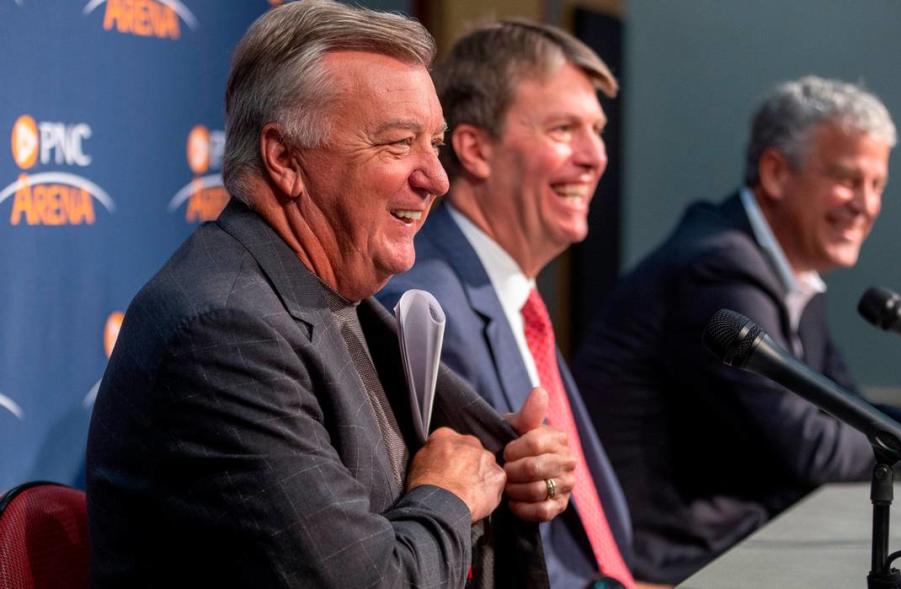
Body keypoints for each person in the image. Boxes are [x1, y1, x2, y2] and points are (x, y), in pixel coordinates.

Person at [86, 2, 574, 587]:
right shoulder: (225, 332)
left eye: (435, 144)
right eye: (398, 144)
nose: (437, 178)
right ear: (285, 159)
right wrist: (449, 496)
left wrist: (513, 467)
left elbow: (439, 460)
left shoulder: (330, 296)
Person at [573, 75, 901, 584]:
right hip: (671, 564)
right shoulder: (719, 268)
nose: (865, 204)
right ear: (776, 172)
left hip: (741, 538)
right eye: (847, 179)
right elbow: (804, 446)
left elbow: (842, 403)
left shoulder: (786, 266)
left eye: (877, 185)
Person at [379, 20, 663, 589]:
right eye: (563, 129)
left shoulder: (512, 291)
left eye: (597, 130)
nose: (594, 157)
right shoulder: (426, 305)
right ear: (476, 149)